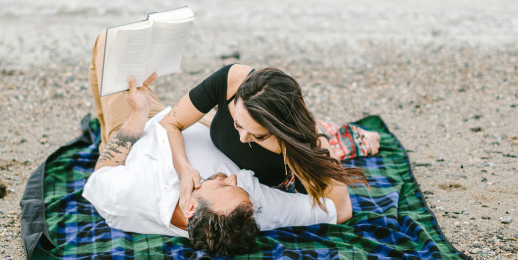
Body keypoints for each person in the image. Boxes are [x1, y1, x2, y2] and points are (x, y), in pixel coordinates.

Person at [81, 31, 353, 256]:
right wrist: (319, 139)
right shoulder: (255, 208)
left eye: (223, 184)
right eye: (236, 186)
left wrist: (138, 115)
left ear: (190, 208)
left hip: (138, 128)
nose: (234, 178)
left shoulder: (127, 197)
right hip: (185, 123)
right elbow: (339, 210)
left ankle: (105, 121)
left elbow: (104, 168)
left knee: (109, 43)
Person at [159, 64, 379, 210]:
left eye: (259, 136)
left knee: (365, 142)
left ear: (285, 133)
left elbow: (341, 212)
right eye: (237, 124)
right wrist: (184, 168)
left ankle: (340, 132)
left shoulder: (305, 146)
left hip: (292, 167)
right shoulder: (230, 80)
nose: (243, 138)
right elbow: (170, 122)